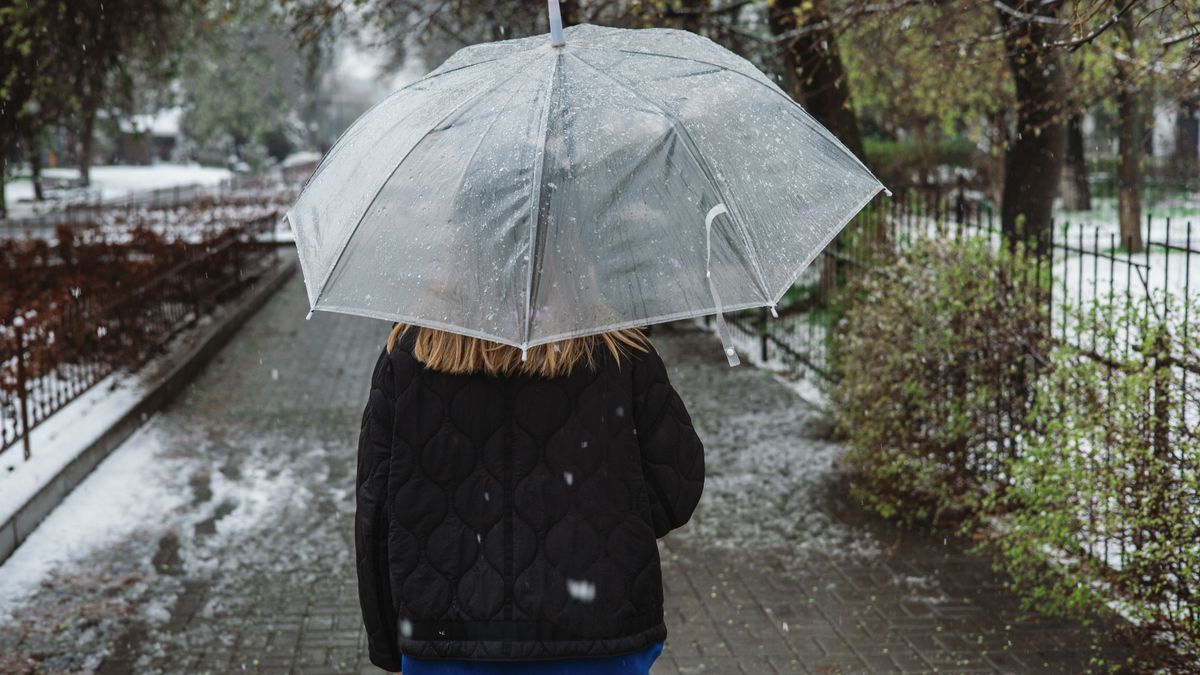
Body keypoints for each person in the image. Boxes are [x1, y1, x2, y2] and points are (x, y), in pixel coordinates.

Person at [355, 323, 705, 674]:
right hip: (598, 636)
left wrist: (387, 644)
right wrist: (607, 522)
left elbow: (377, 512)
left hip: (448, 640)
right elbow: (673, 491)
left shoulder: (410, 354)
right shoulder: (621, 350)